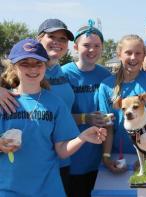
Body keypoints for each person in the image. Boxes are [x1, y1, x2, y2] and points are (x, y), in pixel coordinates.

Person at [0, 38, 106, 197]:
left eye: (38, 63)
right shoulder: (5, 101)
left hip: (48, 189)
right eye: (25, 63)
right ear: (14, 67)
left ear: (44, 66)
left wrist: (82, 137)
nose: (33, 69)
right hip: (9, 189)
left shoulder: (55, 103)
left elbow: (62, 151)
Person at [0, 18, 76, 195]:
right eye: (25, 64)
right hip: (10, 184)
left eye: (63, 39)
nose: (32, 69)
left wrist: (85, 133)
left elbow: (63, 147)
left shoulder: (65, 74)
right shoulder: (7, 96)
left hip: (51, 177)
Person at [98, 34, 146, 172]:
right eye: (128, 53)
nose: (133, 57)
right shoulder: (106, 86)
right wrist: (106, 157)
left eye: (138, 53)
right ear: (119, 54)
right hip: (118, 154)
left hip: (145, 153)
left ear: (143, 56)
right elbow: (108, 126)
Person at [62, 21, 111, 197]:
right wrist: (85, 118)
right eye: (86, 45)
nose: (92, 50)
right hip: (72, 155)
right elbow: (56, 116)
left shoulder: (106, 75)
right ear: (75, 47)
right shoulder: (63, 74)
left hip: (98, 156)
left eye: (97, 46)